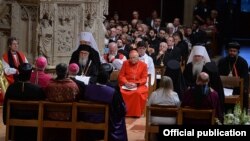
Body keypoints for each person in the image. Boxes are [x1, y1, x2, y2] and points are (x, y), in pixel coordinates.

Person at [79, 69, 127, 141]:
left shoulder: (87, 88)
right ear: (107, 80)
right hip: (104, 119)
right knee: (119, 119)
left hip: (87, 117)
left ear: (97, 79)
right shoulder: (111, 92)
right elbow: (120, 109)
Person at [3, 63, 45, 141]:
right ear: (30, 74)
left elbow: (5, 105)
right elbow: (43, 107)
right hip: (33, 125)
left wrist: (6, 121)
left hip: (15, 126)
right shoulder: (37, 89)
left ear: (19, 73)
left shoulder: (11, 88)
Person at [218, 42, 249, 111]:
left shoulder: (243, 62)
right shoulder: (222, 61)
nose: (232, 53)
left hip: (237, 88)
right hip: (224, 87)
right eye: (230, 51)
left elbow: (245, 78)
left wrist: (241, 86)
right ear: (227, 51)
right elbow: (218, 76)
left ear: (238, 52)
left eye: (234, 51)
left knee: (244, 92)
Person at [118, 50, 148, 117]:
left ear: (138, 57)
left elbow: (144, 78)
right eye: (130, 58)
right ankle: (123, 112)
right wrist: (126, 83)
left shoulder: (143, 65)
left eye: (134, 57)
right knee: (120, 92)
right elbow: (121, 75)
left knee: (137, 93)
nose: (132, 59)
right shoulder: (125, 63)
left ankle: (136, 113)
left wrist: (136, 84)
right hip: (126, 84)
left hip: (138, 85)